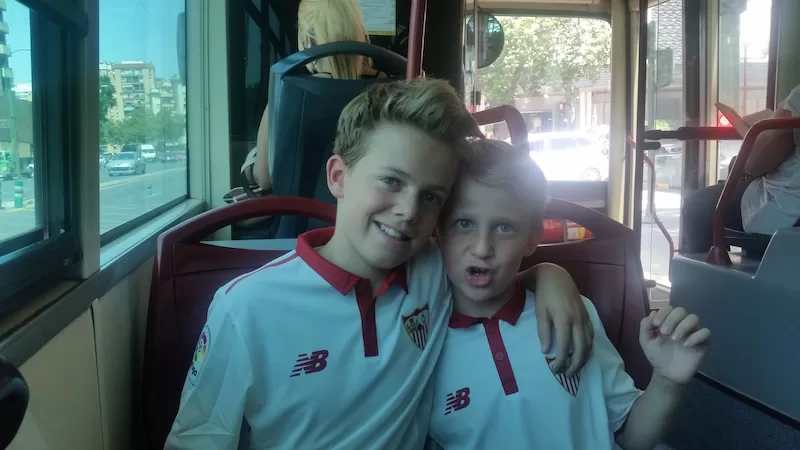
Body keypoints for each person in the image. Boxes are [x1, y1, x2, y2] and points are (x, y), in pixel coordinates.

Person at [166, 79, 595, 449]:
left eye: (431, 197)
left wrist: (550, 274)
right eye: (391, 181)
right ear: (338, 176)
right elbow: (198, 439)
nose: (409, 211)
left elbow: (492, 271)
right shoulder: (246, 308)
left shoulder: (434, 272)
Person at [428, 139, 711, 449]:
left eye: (504, 227)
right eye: (464, 223)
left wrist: (668, 380)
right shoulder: (420, 346)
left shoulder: (575, 313)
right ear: (437, 231)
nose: (482, 248)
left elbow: (629, 435)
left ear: (532, 238)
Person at [235, 0, 384, 199]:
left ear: (307, 41)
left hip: (301, 222)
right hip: (372, 218)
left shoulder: (288, 91)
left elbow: (265, 178)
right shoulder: (391, 90)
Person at [682, 84, 800, 253]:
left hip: (787, 204)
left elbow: (756, 163)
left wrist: (750, 154)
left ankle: (706, 273)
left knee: (696, 206)